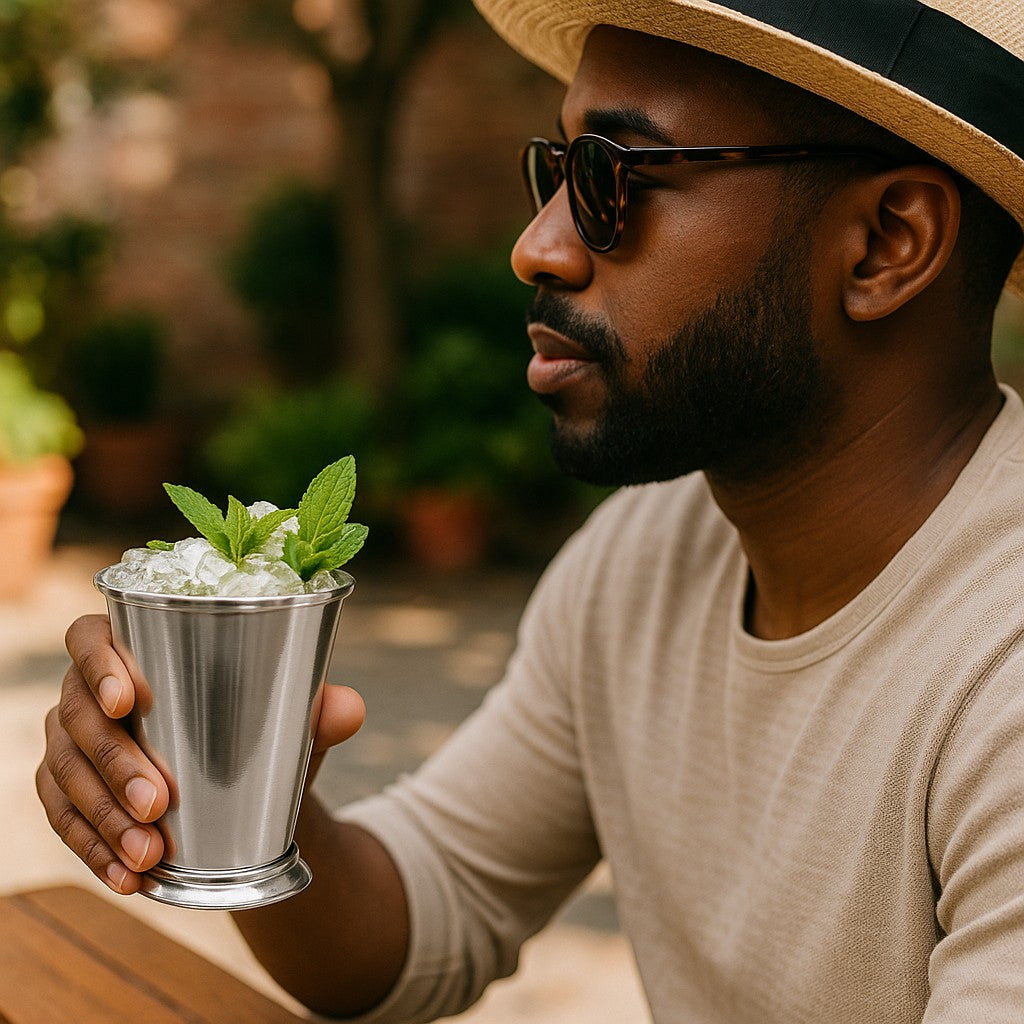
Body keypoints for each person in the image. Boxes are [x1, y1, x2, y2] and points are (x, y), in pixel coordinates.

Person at [36, 2, 1024, 1021]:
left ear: (883, 244)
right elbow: (427, 911)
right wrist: (229, 780)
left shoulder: (1002, 679)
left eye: (611, 179)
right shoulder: (651, 553)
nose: (537, 246)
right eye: (551, 171)